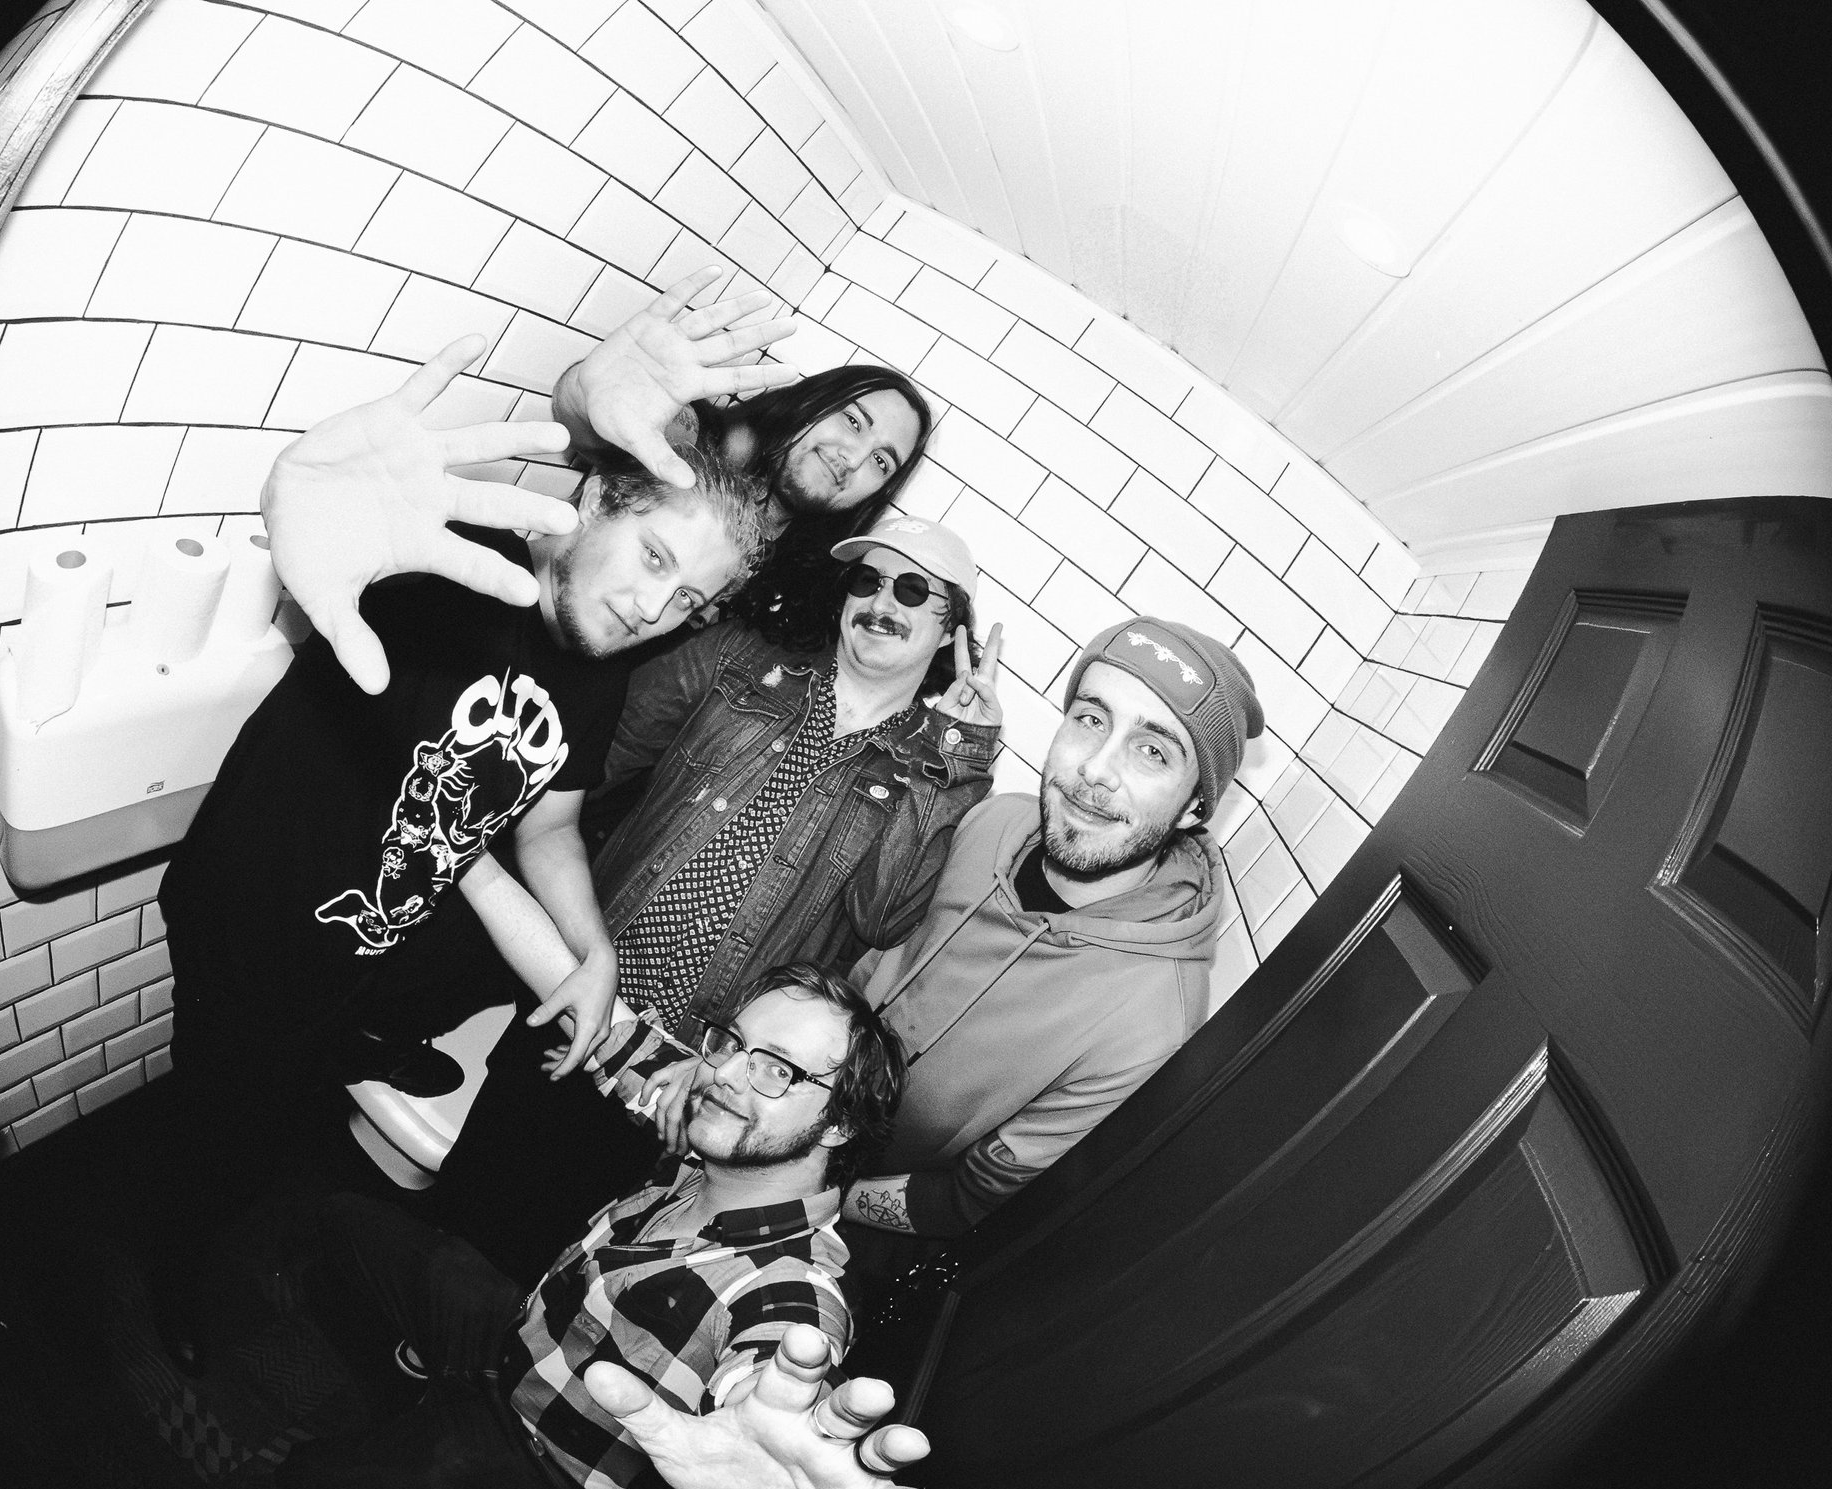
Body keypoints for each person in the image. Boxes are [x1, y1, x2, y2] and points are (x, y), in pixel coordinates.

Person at [154, 338, 773, 1259]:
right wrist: (309, 512)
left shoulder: (599, 669)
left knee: (268, 1121)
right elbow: (348, 558)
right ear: (600, 500)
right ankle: (170, 1258)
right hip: (248, 926)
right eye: (651, 559)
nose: (653, 609)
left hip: (354, 959)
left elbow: (551, 822)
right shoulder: (451, 571)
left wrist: (591, 949)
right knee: (207, 1126)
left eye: (687, 600)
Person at [415, 509, 1006, 1285]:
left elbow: (884, 915)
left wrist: (955, 760)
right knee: (464, 1198)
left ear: (947, 629)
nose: (881, 602)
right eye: (866, 580)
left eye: (912, 589)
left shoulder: (931, 770)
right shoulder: (739, 662)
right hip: (580, 996)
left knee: (559, 1256)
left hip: (694, 1077)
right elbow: (586, 758)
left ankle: (480, 1376)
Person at [182, 968, 956, 1489]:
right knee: (347, 1220)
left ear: (841, 1127)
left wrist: (772, 1423)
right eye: (733, 1044)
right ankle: (424, 1374)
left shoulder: (791, 1290)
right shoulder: (718, 1136)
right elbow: (582, 992)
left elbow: (778, 1358)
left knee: (305, 1483)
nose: (724, 1073)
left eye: (778, 1070)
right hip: (525, 1339)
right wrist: (481, 835)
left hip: (543, 1456)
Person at [833, 617, 1266, 1242]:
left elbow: (964, 1197)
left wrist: (817, 1194)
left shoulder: (1150, 1023)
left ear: (1197, 804)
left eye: (1153, 751)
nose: (1095, 770)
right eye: (1091, 720)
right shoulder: (994, 823)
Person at [547, 268, 936, 646]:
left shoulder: (812, 581)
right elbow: (589, 422)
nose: (853, 458)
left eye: (881, 463)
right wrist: (584, 392)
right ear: (811, 402)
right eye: (852, 421)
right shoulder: (698, 441)